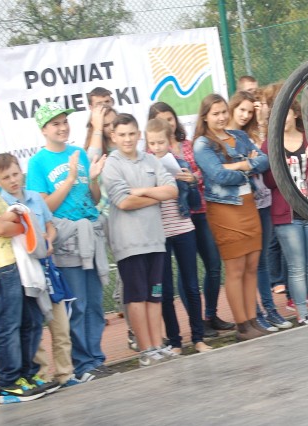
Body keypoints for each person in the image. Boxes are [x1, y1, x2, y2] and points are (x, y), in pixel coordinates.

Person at [26, 102, 110, 382]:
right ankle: (83, 362)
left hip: (90, 234)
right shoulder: (37, 163)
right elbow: (43, 207)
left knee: (96, 303)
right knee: (79, 304)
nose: (62, 127)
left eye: (64, 121)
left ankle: (96, 358)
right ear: (43, 130)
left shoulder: (79, 153)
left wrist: (93, 180)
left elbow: (93, 198)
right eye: (55, 123)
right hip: (66, 240)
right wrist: (70, 178)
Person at [0, 153, 79, 389]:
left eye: (15, 173)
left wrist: (49, 240)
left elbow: (50, 225)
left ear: (21, 172)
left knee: (60, 324)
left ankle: (65, 373)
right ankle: (41, 375)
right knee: (33, 329)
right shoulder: (0, 205)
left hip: (48, 269)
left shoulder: (34, 198)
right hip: (24, 273)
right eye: (5, 177)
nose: (12, 180)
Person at [148, 102, 234, 337]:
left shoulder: (188, 145)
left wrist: (192, 177)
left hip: (199, 212)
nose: (167, 123)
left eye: (170, 118)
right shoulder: (148, 156)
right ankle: (195, 325)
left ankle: (210, 314)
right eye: (161, 120)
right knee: (182, 275)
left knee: (214, 265)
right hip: (172, 218)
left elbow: (203, 172)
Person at [0, 130, 46, 402]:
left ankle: (25, 374)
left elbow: (11, 222)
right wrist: (18, 223)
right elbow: (0, 227)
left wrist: (14, 222)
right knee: (7, 325)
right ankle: (8, 382)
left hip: (11, 263)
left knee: (26, 321)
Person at [101, 113, 179, 366]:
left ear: (139, 135)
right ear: (113, 137)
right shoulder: (112, 164)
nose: (127, 139)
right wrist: (156, 196)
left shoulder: (150, 160)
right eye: (121, 135)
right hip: (129, 245)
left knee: (155, 295)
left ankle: (158, 345)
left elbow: (172, 190)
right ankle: (146, 350)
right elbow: (124, 201)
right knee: (137, 298)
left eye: (131, 134)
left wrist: (144, 191)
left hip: (155, 240)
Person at [193, 94, 270, 340]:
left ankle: (252, 320)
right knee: (235, 269)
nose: (221, 117)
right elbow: (218, 176)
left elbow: (264, 160)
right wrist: (244, 166)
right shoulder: (202, 144)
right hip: (225, 210)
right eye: (215, 113)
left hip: (249, 206)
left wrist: (236, 166)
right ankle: (242, 326)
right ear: (205, 117)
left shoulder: (240, 136)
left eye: (223, 111)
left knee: (251, 266)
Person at [145, 117, 213, 353]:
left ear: (169, 140)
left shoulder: (180, 162)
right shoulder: (145, 167)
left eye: (160, 142)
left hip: (183, 228)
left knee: (192, 285)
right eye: (152, 143)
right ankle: (175, 341)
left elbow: (194, 204)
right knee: (165, 290)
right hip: (159, 234)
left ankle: (198, 338)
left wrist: (191, 183)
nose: (156, 148)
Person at [227, 90, 292, 331]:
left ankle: (270, 310)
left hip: (262, 203)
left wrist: (251, 161)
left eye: (249, 111)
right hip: (242, 206)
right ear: (232, 108)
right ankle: (254, 314)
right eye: (241, 110)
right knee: (246, 265)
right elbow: (238, 167)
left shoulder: (248, 135)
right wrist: (249, 162)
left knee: (261, 261)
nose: (244, 115)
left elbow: (265, 160)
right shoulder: (227, 138)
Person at [263, 100, 308, 324]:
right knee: (296, 267)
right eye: (277, 115)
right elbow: (270, 182)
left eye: (286, 112)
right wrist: (278, 162)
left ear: (295, 114)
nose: (283, 118)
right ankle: (302, 315)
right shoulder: (270, 144)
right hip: (287, 215)